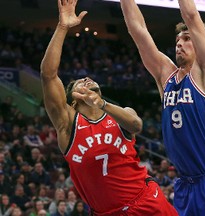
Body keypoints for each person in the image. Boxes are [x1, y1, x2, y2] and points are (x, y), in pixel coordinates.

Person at [40, 0, 178, 215]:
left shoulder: (120, 113)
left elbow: (136, 125)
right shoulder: (68, 123)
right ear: (73, 100)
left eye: (88, 79)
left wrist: (102, 104)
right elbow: (48, 76)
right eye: (79, 82)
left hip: (145, 203)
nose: (85, 79)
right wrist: (62, 27)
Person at [120, 0, 205, 215]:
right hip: (185, 185)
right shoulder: (165, 75)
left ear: (200, 43)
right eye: (178, 39)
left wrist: (192, 27)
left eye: (187, 39)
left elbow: (191, 15)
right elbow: (137, 30)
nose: (179, 43)